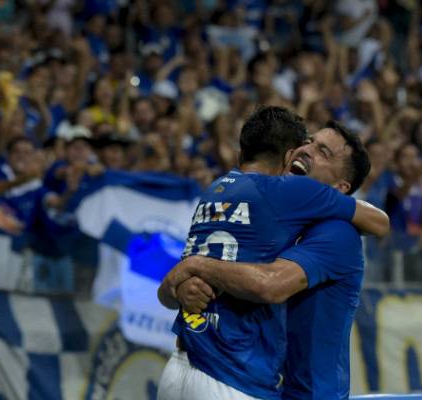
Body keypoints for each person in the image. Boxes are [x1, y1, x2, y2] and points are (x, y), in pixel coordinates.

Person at [156, 107, 388, 400]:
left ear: (340, 188)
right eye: (308, 141)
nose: (306, 150)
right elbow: (213, 275)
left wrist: (197, 266)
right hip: (242, 378)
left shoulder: (337, 234)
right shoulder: (270, 215)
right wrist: (186, 286)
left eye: (323, 152)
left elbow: (269, 284)